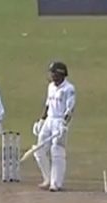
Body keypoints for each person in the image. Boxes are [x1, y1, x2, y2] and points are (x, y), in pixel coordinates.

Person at [34, 62, 75, 191]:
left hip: (60, 121)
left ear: (60, 74)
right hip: (49, 120)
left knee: (57, 151)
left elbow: (70, 109)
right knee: (39, 149)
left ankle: (56, 183)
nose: (51, 76)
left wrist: (64, 124)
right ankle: (47, 179)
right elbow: (48, 104)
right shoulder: (51, 86)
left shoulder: (69, 89)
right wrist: (41, 120)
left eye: (53, 73)